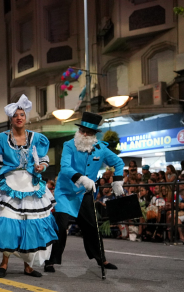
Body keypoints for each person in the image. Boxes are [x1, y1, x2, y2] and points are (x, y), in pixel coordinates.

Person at [0, 94, 58, 278]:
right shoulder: (1, 139)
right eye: (16, 115)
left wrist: (40, 166)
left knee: (30, 226)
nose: (19, 117)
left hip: (31, 187)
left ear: (26, 118)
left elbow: (43, 161)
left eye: (22, 115)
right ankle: (4, 263)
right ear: (11, 119)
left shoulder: (37, 139)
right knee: (8, 224)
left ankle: (28, 266)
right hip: (8, 186)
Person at [45, 112, 124, 273]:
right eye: (82, 130)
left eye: (88, 132)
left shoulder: (101, 148)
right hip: (65, 193)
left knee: (92, 227)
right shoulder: (69, 145)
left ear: (94, 134)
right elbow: (65, 168)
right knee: (60, 227)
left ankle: (101, 259)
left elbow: (119, 162)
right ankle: (50, 261)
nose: (84, 134)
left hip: (84, 194)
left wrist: (117, 180)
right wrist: (82, 178)